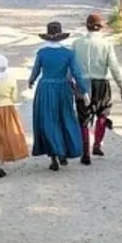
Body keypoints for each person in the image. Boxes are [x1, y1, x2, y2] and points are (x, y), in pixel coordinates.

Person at [28, 21, 90, 171]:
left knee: (48, 121)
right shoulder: (68, 53)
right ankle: (64, 151)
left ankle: (54, 156)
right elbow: (76, 73)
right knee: (65, 118)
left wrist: (31, 81)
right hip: (63, 88)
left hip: (46, 88)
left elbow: (36, 70)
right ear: (61, 37)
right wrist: (84, 91)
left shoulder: (42, 53)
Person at [71, 12, 122, 165]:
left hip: (83, 83)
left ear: (86, 27)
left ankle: (85, 151)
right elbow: (114, 67)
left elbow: (72, 66)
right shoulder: (106, 44)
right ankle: (97, 143)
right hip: (101, 82)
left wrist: (70, 82)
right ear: (101, 27)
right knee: (103, 112)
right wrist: (121, 86)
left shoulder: (76, 43)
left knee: (83, 117)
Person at [0, 54, 30, 178]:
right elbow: (14, 97)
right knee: (6, 136)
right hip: (8, 109)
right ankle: (1, 163)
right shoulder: (11, 78)